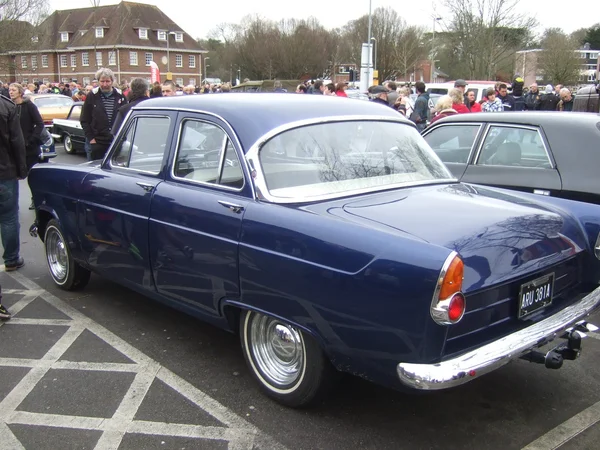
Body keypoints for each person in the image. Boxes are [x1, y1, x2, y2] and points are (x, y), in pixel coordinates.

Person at [0, 90, 28, 279]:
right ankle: (11, 259)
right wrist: (21, 169)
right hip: (5, 170)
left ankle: (11, 258)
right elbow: (17, 141)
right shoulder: (7, 106)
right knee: (9, 217)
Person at [8, 83, 44, 209]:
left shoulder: (29, 106)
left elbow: (40, 124)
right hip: (12, 148)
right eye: (9, 90)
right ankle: (10, 202)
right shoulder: (9, 106)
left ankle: (36, 198)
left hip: (29, 148)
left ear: (20, 92)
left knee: (32, 176)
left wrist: (31, 140)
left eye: (13, 90)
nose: (11, 92)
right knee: (12, 176)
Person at [80, 67, 127, 160]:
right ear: (98, 81)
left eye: (107, 81)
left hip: (115, 141)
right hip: (96, 142)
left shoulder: (120, 96)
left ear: (112, 81)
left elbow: (125, 118)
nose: (105, 84)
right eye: (102, 81)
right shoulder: (92, 96)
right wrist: (91, 139)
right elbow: (84, 120)